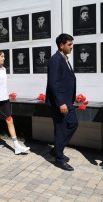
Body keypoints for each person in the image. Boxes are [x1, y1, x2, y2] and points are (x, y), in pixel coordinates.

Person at [0, 50, 30, 154]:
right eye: (1, 56)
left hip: (5, 99)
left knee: (10, 120)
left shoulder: (3, 69)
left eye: (4, 56)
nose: (4, 58)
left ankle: (17, 146)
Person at [45, 33, 78, 171]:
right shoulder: (56, 59)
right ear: (61, 45)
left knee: (73, 124)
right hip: (60, 103)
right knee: (61, 129)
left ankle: (57, 150)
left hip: (66, 101)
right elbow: (53, 83)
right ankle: (59, 158)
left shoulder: (64, 58)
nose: (72, 47)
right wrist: (61, 103)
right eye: (69, 44)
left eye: (72, 44)